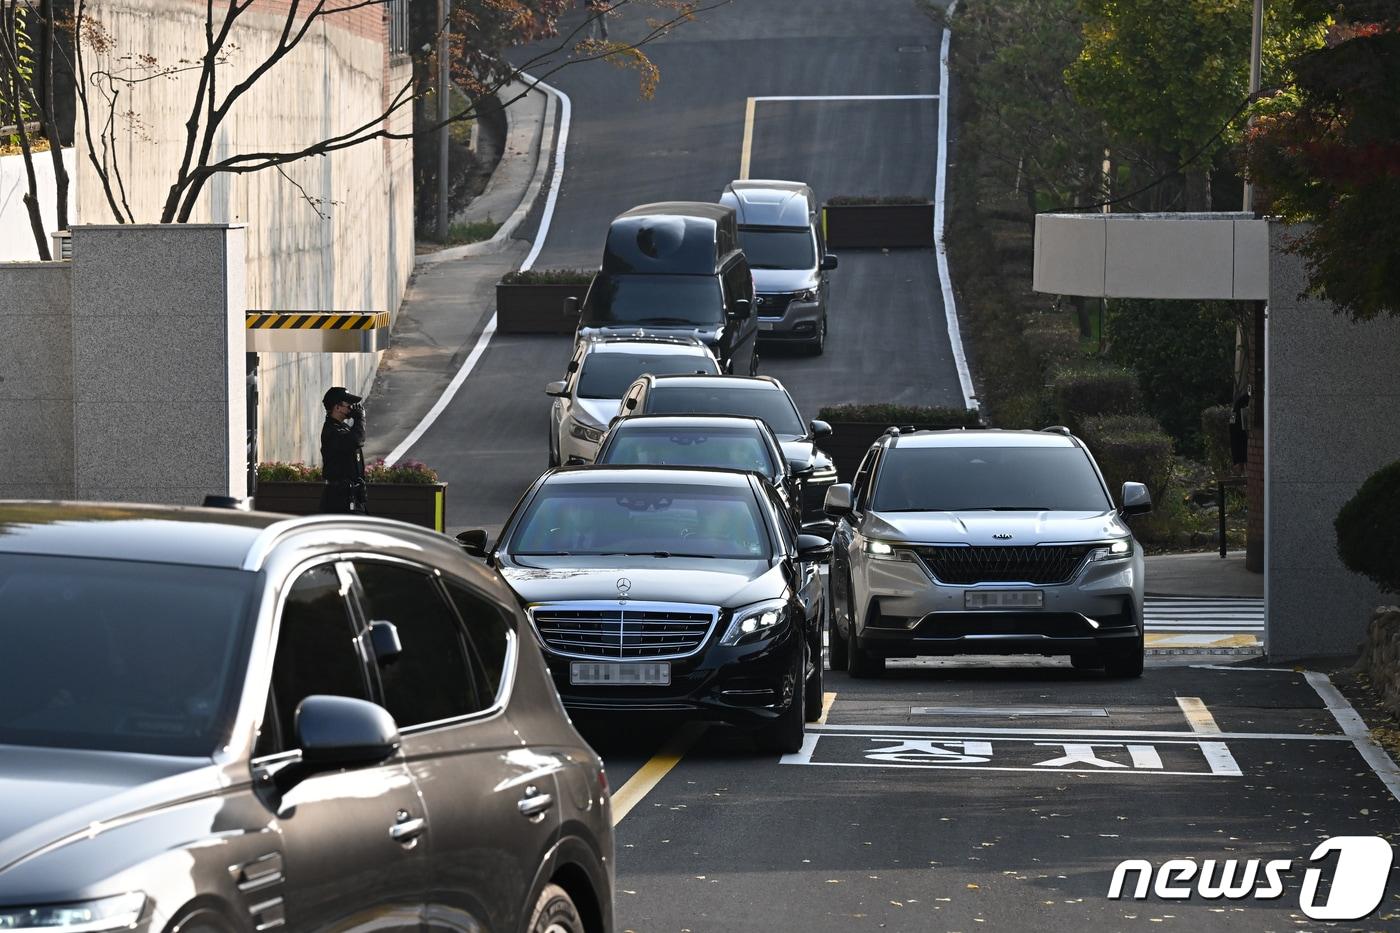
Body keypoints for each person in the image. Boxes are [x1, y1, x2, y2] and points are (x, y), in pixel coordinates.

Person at [320, 386, 368, 514]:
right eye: (348, 405)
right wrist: (360, 419)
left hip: (351, 496)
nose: (352, 408)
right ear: (337, 407)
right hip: (338, 498)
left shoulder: (343, 428)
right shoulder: (331, 431)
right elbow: (357, 440)